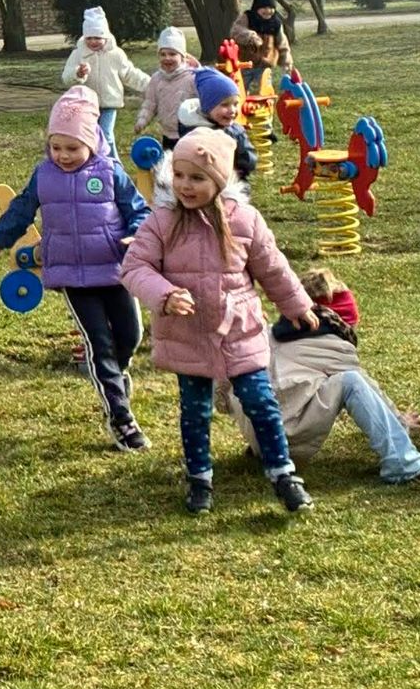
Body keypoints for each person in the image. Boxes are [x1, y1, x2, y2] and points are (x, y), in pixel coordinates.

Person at [120, 131, 317, 514]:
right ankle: (200, 478)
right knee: (195, 409)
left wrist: (296, 305)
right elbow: (135, 267)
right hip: (187, 332)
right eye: (179, 175)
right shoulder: (162, 221)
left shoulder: (245, 220)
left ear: (220, 181)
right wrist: (164, 294)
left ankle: (283, 472)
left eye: (197, 178)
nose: (185, 186)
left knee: (260, 400)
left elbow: (272, 267)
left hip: (238, 329)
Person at [0, 85, 152, 452]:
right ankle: (121, 418)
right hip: (71, 274)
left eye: (72, 148)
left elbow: (138, 209)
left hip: (115, 269)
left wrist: (137, 236)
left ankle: (119, 375)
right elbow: (22, 209)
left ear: (92, 142)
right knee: (98, 345)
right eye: (56, 147)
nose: (63, 155)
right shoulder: (44, 175)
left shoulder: (110, 171)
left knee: (130, 336)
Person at [220, 274, 420, 484]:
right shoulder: (334, 346)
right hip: (287, 437)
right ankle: (403, 462)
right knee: (351, 381)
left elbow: (223, 384)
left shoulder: (264, 334)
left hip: (260, 433)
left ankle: (261, 449)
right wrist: (400, 421)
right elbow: (368, 388)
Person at [61, 7, 149, 159]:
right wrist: (78, 73)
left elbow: (130, 74)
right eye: (89, 38)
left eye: (97, 37)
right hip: (86, 104)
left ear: (106, 36)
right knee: (90, 136)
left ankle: (113, 167)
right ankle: (98, 164)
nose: (93, 42)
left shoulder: (116, 54)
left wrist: (151, 85)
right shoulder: (78, 54)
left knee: (105, 134)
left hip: (109, 103)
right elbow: (66, 77)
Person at [177, 67, 258, 182]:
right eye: (224, 105)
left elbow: (248, 161)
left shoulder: (235, 131)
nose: (232, 110)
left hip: (219, 183)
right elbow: (248, 162)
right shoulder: (193, 131)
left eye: (235, 104)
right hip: (218, 183)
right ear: (207, 107)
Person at [134, 26, 200, 149]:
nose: (167, 58)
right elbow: (150, 103)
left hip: (190, 133)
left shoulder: (192, 78)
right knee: (169, 166)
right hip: (167, 134)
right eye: (163, 54)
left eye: (172, 54)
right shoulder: (156, 79)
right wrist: (142, 120)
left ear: (183, 57)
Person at [231, 0, 293, 95]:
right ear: (256, 8)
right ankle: (240, 105)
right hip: (246, 64)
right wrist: (250, 36)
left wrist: (286, 62)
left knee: (266, 87)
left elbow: (282, 43)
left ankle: (267, 105)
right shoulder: (247, 17)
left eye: (271, 8)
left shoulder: (276, 23)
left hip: (265, 64)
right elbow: (236, 31)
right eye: (264, 8)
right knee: (240, 88)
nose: (268, 11)